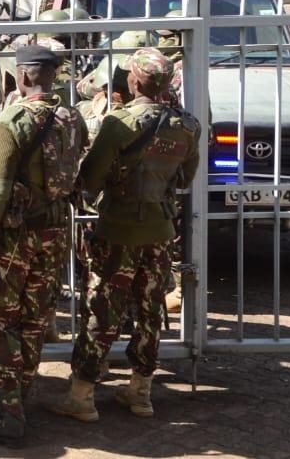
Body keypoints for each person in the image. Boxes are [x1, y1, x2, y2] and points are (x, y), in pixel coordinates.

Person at [46, 47, 201, 424]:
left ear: (133, 81)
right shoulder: (188, 125)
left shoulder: (119, 123)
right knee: (150, 311)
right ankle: (140, 393)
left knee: (103, 309)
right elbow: (185, 178)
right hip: (160, 230)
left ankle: (82, 396)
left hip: (117, 229)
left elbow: (92, 177)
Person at [0, 44, 86, 446]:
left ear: (23, 76)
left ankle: (9, 412)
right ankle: (23, 394)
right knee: (36, 318)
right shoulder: (73, 116)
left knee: (2, 321)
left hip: (17, 236)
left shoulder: (11, 119)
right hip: (56, 233)